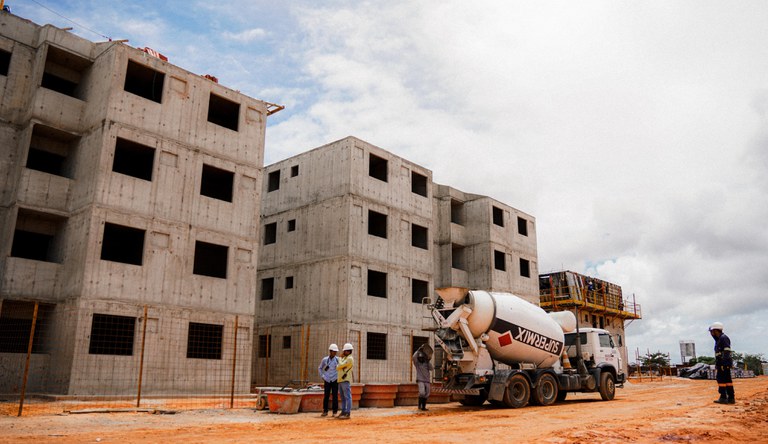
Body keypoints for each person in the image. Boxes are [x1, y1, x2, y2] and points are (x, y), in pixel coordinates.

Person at [709, 322, 735, 404]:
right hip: (723, 363)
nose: (711, 333)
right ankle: (731, 398)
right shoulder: (719, 339)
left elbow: (727, 351)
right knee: (727, 380)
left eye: (711, 331)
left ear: (716, 331)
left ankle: (723, 397)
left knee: (721, 380)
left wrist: (724, 363)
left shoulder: (723, 338)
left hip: (723, 363)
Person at [318, 343, 339, 417]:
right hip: (327, 380)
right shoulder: (325, 360)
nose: (335, 353)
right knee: (326, 395)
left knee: (335, 396)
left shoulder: (337, 360)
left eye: (336, 352)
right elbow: (320, 368)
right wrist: (322, 376)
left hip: (335, 380)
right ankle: (325, 411)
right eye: (334, 351)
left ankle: (335, 412)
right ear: (330, 351)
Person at [412, 344, 434, 411]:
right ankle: (419, 406)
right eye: (420, 357)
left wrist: (428, 360)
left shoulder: (426, 363)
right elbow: (413, 357)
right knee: (422, 392)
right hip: (420, 380)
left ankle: (423, 407)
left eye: (422, 357)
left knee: (427, 393)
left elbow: (432, 368)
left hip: (427, 380)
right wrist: (418, 350)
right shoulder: (417, 364)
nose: (421, 358)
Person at [336, 342, 354, 419]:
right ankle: (343, 411)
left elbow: (339, 365)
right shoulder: (344, 358)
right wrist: (341, 360)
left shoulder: (350, 358)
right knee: (343, 397)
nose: (344, 352)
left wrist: (340, 359)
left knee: (347, 397)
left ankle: (348, 412)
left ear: (349, 351)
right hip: (340, 380)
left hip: (345, 380)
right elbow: (337, 367)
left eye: (345, 351)